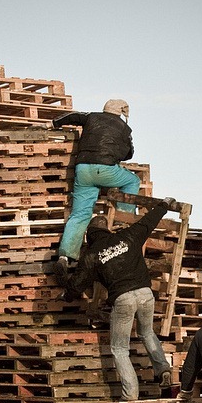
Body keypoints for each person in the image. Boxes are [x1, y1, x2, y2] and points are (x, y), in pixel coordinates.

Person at [62, 200, 174, 401]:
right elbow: (148, 222)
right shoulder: (128, 236)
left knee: (120, 348)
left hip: (123, 298)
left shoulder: (91, 255)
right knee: (146, 332)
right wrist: (164, 205)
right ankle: (163, 369)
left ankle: (130, 393)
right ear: (107, 230)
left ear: (89, 237)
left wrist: (65, 289)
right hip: (146, 293)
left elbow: (76, 285)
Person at [52, 100, 139, 283]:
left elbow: (72, 116)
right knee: (132, 181)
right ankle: (124, 219)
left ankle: (65, 257)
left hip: (83, 169)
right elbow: (129, 153)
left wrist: (54, 123)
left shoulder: (91, 117)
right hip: (106, 169)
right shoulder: (124, 128)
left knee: (80, 214)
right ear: (120, 112)